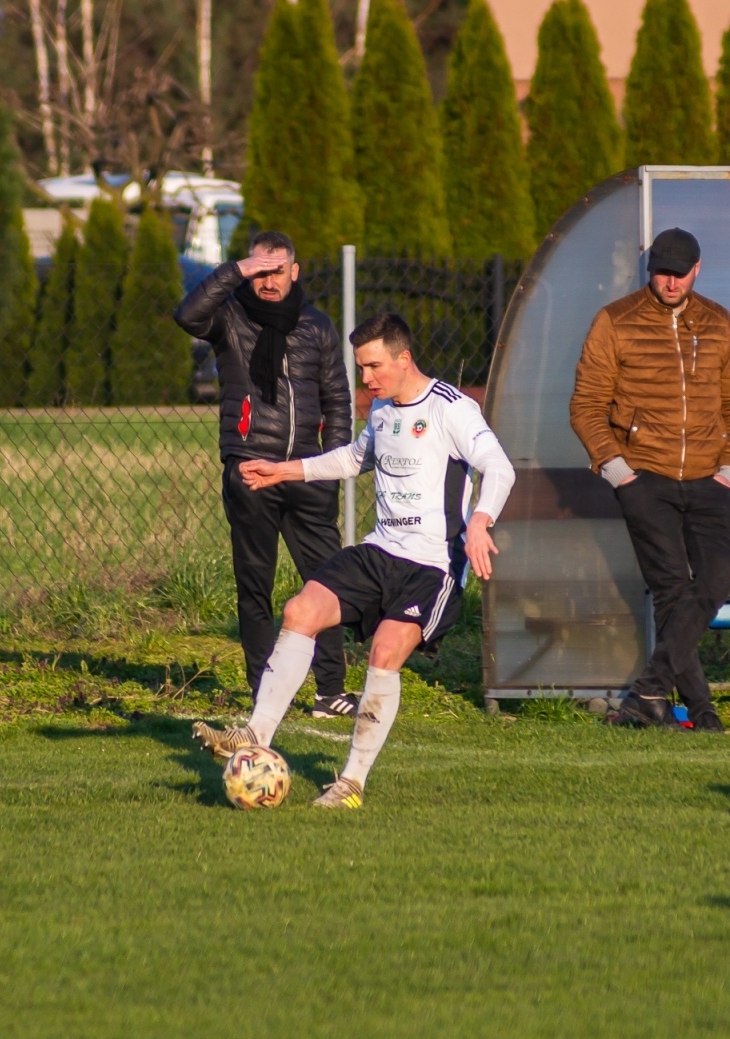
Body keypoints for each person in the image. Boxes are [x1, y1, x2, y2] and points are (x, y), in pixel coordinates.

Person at [191, 312, 515, 808]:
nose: (366, 380)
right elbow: (352, 458)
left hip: (433, 566)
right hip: (380, 549)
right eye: (361, 368)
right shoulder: (383, 410)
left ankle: (351, 782)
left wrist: (480, 520)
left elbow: (499, 466)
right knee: (301, 611)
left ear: (403, 359)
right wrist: (284, 471)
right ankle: (253, 734)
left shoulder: (452, 409)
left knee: (385, 653)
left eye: (373, 367)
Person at [568, 227, 730, 733]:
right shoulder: (615, 321)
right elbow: (586, 407)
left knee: (719, 577)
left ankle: (648, 693)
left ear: (698, 269)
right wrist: (619, 472)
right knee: (672, 591)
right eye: (661, 272)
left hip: (710, 481)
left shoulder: (718, 322)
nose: (670, 282)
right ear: (650, 271)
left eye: (679, 272)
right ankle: (702, 712)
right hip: (644, 479)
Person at [174, 231, 358, 720]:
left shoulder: (317, 326)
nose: (268, 281)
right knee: (255, 583)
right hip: (252, 469)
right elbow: (187, 315)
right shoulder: (230, 317)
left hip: (305, 472)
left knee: (328, 583)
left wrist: (330, 467)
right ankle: (264, 690)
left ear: (294, 272)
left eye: (277, 270)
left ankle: (330, 690)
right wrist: (236, 271)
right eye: (260, 271)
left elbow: (338, 399)